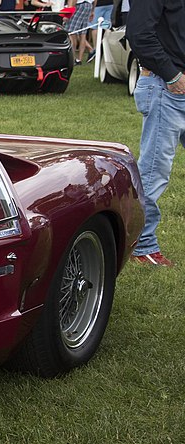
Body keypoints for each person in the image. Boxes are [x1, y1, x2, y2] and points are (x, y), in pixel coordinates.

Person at [126, 0, 185, 266]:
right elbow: (139, 34)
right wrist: (172, 76)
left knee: (153, 172)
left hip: (172, 85)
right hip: (166, 86)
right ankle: (143, 245)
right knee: (153, 172)